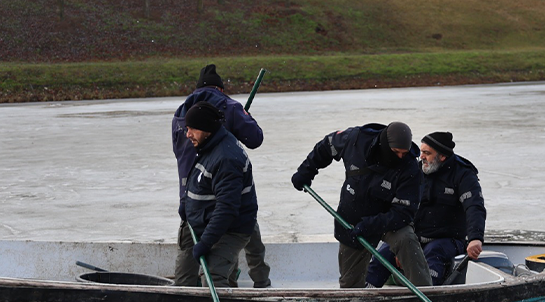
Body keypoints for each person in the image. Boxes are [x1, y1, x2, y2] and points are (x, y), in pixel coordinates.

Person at [290, 121, 432, 288]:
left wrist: (370, 225)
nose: (400, 157)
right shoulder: (355, 139)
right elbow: (327, 146)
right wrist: (306, 171)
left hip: (389, 221)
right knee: (349, 285)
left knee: (406, 238)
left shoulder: (410, 168)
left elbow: (404, 213)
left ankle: (425, 292)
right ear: (385, 144)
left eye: (404, 153)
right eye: (395, 152)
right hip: (353, 219)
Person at [172, 64, 271, 287]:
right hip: (213, 198)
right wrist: (245, 118)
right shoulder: (229, 107)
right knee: (246, 226)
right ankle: (261, 282)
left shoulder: (180, 114)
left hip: (199, 196)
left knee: (234, 224)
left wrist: (185, 199)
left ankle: (203, 288)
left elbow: (181, 157)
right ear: (221, 89)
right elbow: (255, 138)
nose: (188, 135)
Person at [365, 131, 487, 287]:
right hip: (414, 237)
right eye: (421, 152)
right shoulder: (414, 171)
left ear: (442, 156)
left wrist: (475, 238)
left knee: (433, 252)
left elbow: (474, 207)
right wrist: (400, 242)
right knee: (383, 254)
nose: (421, 156)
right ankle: (364, 295)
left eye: (427, 153)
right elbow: (399, 207)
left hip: (447, 240)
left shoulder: (463, 174)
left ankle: (427, 298)